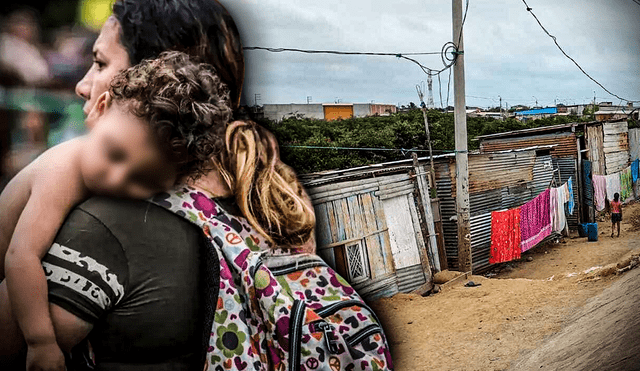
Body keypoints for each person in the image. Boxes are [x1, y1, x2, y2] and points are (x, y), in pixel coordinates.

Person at [0, 0, 316, 369]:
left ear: (150, 83)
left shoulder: (105, 222)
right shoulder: (269, 195)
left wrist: (39, 341)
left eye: (101, 63)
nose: (82, 85)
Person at [0, 50, 235, 370]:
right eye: (113, 152)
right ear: (100, 108)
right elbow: (21, 257)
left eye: (142, 179)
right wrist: (41, 341)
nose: (115, 179)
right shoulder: (63, 169)